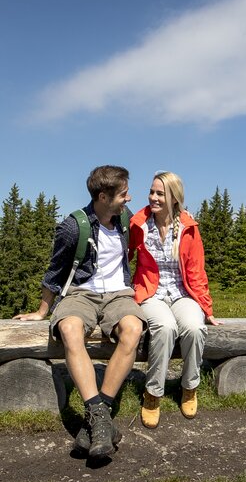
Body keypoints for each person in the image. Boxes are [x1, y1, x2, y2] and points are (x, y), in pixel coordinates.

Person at [14, 165, 147, 457]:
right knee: (70, 329)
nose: (128, 198)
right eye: (123, 194)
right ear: (103, 196)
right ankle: (100, 417)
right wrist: (41, 311)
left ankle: (100, 413)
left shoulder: (124, 218)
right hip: (81, 293)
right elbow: (56, 270)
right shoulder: (74, 226)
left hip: (119, 294)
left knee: (134, 329)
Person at [129, 171, 219, 428]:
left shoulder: (188, 228)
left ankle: (189, 387)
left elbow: (196, 270)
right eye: (152, 192)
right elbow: (125, 257)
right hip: (150, 293)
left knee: (193, 327)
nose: (153, 198)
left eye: (160, 193)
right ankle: (153, 393)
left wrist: (206, 307)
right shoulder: (139, 224)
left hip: (182, 293)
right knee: (165, 328)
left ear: (174, 198)